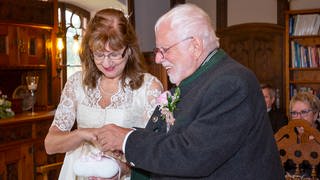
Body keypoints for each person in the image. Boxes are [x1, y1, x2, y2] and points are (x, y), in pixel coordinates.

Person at [95, 3, 284, 179]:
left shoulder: (231, 83)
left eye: (164, 50)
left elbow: (192, 155)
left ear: (195, 46)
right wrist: (124, 160)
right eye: (157, 51)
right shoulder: (197, 80)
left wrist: (126, 140)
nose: (159, 59)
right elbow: (167, 142)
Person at [44, 8, 163, 180]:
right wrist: (82, 134)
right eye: (99, 54)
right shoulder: (76, 83)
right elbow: (50, 145)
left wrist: (121, 169)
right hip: (76, 174)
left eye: (114, 54)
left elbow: (156, 151)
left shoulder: (148, 88)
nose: (106, 63)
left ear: (128, 50)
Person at [285, 91, 320, 177]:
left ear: (315, 115)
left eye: (304, 112)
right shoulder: (286, 136)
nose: (299, 118)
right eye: (294, 113)